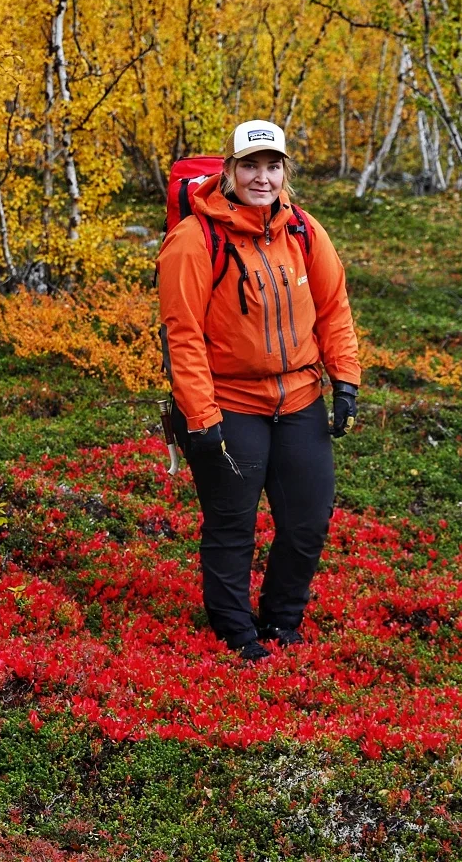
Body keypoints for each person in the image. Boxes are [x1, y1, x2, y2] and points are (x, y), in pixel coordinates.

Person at [157, 119, 362, 661]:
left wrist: (345, 378)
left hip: (299, 399)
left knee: (308, 520)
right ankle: (234, 631)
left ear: (284, 172)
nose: (262, 177)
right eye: (250, 165)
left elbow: (333, 308)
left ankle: (281, 623)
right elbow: (184, 336)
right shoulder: (193, 240)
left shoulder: (304, 232)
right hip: (228, 404)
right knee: (232, 525)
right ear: (228, 170)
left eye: (273, 167)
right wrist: (200, 420)